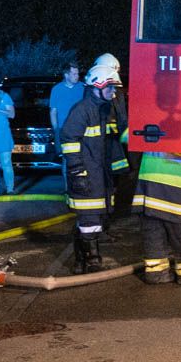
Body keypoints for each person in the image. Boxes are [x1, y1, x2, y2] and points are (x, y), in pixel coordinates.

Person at [60, 61, 122, 273]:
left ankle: (81, 261)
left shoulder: (104, 110)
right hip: (87, 173)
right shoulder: (82, 110)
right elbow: (69, 140)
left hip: (98, 174)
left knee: (93, 217)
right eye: (110, 87)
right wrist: (77, 171)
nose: (113, 92)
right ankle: (92, 260)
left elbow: (110, 142)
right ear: (97, 86)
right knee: (89, 219)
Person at [136, 151, 181, 284]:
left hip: (148, 182)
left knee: (153, 233)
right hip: (177, 185)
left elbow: (129, 138)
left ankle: (156, 273)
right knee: (179, 234)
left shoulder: (150, 129)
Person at [92, 53, 135, 219]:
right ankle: (105, 220)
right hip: (106, 149)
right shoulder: (95, 98)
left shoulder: (113, 93)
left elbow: (122, 120)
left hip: (114, 147)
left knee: (113, 184)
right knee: (105, 186)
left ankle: (111, 215)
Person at [48, 62, 85, 139]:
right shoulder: (56, 89)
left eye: (78, 74)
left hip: (80, 129)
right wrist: (56, 130)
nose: (77, 76)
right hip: (63, 130)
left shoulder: (83, 87)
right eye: (74, 74)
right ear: (66, 75)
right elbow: (53, 112)